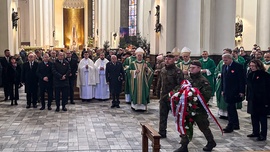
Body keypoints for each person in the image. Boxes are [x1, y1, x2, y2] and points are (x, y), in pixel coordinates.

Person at [174, 60, 216, 152]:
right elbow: (180, 88)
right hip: (187, 108)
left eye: (193, 68)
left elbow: (206, 95)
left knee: (203, 126)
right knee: (186, 126)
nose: (191, 69)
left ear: (199, 69)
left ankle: (211, 141)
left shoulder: (203, 81)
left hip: (199, 109)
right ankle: (184, 146)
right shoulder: (188, 79)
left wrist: (193, 100)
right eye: (190, 67)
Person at [156, 53, 184, 138]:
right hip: (164, 96)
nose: (167, 60)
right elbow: (160, 81)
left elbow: (180, 85)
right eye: (166, 59)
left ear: (174, 60)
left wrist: (174, 94)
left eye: (169, 59)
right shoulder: (163, 70)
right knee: (162, 115)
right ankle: (162, 131)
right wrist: (157, 91)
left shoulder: (177, 71)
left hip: (173, 97)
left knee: (178, 115)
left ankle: (182, 132)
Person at [246, 59, 270, 141]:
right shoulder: (250, 74)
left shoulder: (265, 75)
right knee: (254, 117)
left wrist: (267, 101)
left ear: (258, 66)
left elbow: (267, 89)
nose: (251, 67)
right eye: (251, 66)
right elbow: (249, 87)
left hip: (262, 100)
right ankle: (255, 132)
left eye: (253, 66)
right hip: (252, 99)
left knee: (262, 118)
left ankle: (263, 134)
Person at [221, 53, 245, 133]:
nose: (224, 62)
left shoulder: (238, 66)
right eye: (223, 60)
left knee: (230, 108)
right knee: (231, 108)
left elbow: (241, 80)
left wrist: (241, 91)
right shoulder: (224, 66)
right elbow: (223, 80)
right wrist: (222, 89)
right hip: (226, 91)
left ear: (230, 59)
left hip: (234, 91)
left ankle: (230, 125)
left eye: (226, 60)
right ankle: (235, 124)